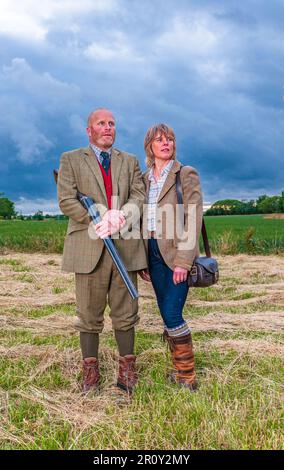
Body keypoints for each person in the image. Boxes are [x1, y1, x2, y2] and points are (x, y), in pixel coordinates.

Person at [57, 108, 147, 394]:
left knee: (126, 311)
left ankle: (127, 369)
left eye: (112, 123)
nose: (108, 127)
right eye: (101, 123)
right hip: (89, 246)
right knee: (88, 314)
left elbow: (138, 195)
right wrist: (98, 216)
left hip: (125, 245)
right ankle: (90, 373)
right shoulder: (71, 159)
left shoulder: (130, 161)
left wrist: (121, 216)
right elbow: (66, 200)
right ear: (89, 130)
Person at [140, 123, 203, 390]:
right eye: (160, 140)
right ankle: (177, 371)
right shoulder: (143, 179)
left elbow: (194, 218)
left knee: (172, 312)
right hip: (152, 252)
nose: (166, 143)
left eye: (170, 139)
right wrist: (141, 259)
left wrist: (184, 261)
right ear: (150, 146)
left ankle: (187, 377)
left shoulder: (185, 174)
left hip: (176, 252)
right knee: (165, 311)